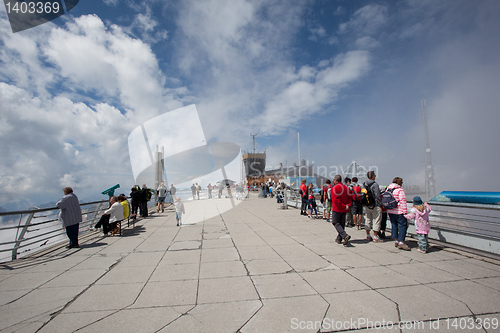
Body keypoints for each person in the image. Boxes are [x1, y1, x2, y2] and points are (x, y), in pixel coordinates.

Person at [386, 177, 409, 250]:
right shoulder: (400, 190)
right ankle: (401, 242)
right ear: (400, 183)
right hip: (399, 211)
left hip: (390, 211)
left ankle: (396, 240)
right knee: (402, 226)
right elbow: (403, 201)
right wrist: (405, 212)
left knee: (394, 225)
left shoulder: (388, 189)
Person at [331, 175, 352, 245]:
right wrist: (347, 205)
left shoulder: (334, 188)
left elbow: (335, 200)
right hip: (344, 209)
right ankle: (339, 239)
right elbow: (350, 198)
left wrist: (343, 206)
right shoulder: (346, 188)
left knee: (335, 222)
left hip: (337, 209)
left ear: (335, 180)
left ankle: (345, 235)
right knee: (342, 224)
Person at [362, 172, 382, 242]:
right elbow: (377, 195)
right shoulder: (375, 184)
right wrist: (379, 204)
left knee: (367, 219)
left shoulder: (364, 184)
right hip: (375, 205)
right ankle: (375, 236)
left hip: (367, 205)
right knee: (376, 220)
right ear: (373, 176)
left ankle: (368, 235)